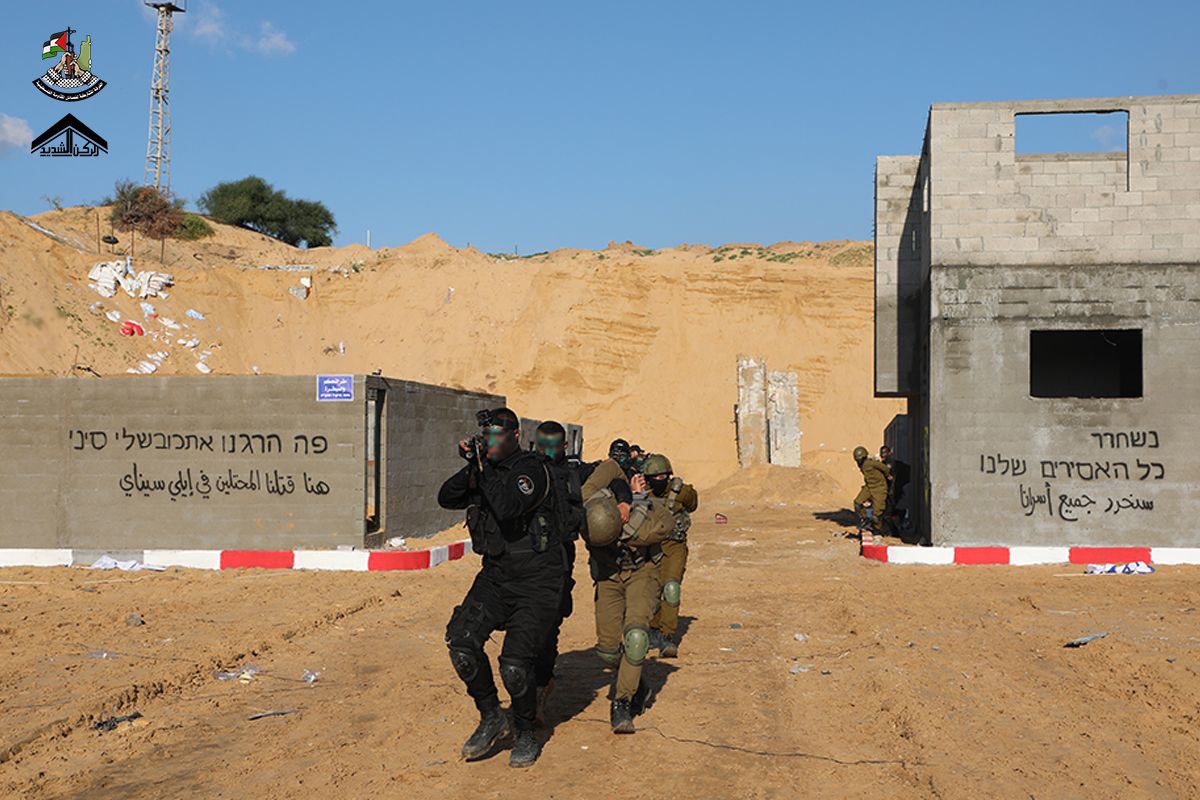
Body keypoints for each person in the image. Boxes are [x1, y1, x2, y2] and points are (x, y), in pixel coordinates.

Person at [438, 407, 566, 768]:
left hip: (538, 579)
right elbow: (446, 497)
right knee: (461, 643)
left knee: (514, 663)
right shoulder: (485, 470)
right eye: (486, 435)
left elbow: (509, 507)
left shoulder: (531, 469)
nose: (490, 441)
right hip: (497, 575)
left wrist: (485, 469)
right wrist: (473, 467)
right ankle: (491, 715)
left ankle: (525, 731)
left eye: (496, 435)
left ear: (514, 436)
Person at [529, 422, 633, 725]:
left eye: (554, 447)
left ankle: (540, 688)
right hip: (526, 556)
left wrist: (624, 499)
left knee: (549, 626)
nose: (547, 453)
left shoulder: (576, 471)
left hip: (558, 557)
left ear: (565, 447)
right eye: (542, 447)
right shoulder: (526, 468)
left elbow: (613, 470)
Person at [584, 468, 674, 734]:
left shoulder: (651, 510)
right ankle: (639, 684)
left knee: (636, 639)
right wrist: (625, 494)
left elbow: (663, 527)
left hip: (641, 573)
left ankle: (622, 702)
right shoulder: (591, 507)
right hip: (609, 576)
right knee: (608, 651)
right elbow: (610, 466)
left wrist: (637, 503)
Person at [644, 454, 699, 658]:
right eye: (654, 476)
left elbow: (693, 505)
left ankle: (667, 635)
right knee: (651, 590)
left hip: (674, 546)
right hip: (651, 546)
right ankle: (653, 629)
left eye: (663, 476)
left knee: (671, 587)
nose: (659, 480)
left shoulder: (681, 492)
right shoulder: (642, 492)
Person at [852, 445, 891, 544]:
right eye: (857, 460)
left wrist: (888, 476)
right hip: (869, 487)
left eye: (860, 459)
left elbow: (884, 468)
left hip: (879, 488)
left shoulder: (870, 463)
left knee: (876, 515)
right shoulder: (861, 465)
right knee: (857, 503)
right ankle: (865, 520)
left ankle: (878, 530)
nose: (858, 462)